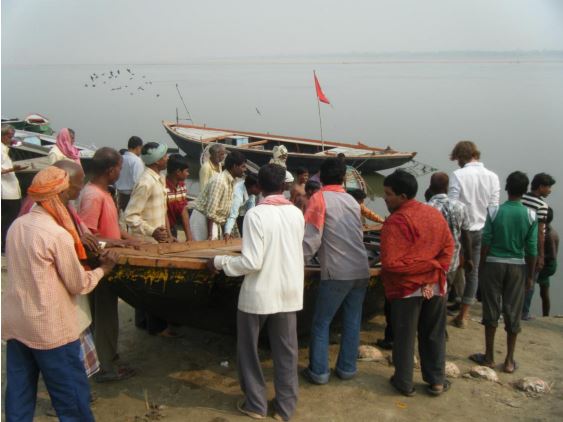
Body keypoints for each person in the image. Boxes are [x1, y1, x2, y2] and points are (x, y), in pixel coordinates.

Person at [2, 166, 119, 421]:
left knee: (19, 395)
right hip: (50, 329)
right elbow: (79, 285)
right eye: (71, 192)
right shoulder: (57, 235)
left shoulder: (16, 226)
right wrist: (104, 269)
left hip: (17, 324)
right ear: (60, 194)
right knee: (71, 399)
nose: (74, 197)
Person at [208, 163, 304, 421]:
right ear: (284, 185)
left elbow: (251, 261)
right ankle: (285, 409)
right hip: (289, 292)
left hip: (259, 294)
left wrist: (220, 262)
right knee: (286, 352)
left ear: (259, 186)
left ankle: (256, 404)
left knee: (249, 351)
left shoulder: (256, 215)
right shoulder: (296, 213)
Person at [380, 170, 454, 397]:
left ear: (402, 196)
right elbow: (448, 250)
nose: (384, 199)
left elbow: (391, 263)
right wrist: (432, 265)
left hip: (407, 289)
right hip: (435, 285)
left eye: (388, 195)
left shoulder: (395, 222)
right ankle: (436, 380)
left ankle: (404, 382)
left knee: (404, 336)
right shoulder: (433, 215)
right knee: (433, 334)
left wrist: (420, 266)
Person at [302, 157, 370, 385]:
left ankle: (319, 372)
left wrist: (295, 262)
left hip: (337, 272)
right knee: (352, 321)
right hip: (361, 268)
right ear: (343, 178)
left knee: (322, 323)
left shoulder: (318, 198)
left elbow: (310, 241)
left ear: (320, 177)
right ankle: (347, 369)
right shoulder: (351, 201)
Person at [78, 147, 139, 382]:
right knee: (104, 317)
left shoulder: (103, 192)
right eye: (120, 168)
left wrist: (127, 239)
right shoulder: (93, 195)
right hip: (100, 264)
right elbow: (88, 238)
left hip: (109, 262)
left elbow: (110, 226)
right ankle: (105, 367)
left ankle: (107, 360)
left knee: (108, 315)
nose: (120, 172)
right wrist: (117, 243)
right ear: (111, 169)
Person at [470, 171, 537, 373]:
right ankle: (509, 360)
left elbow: (486, 243)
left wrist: (481, 269)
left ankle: (489, 356)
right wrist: (531, 276)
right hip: (517, 266)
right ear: (525, 192)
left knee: (491, 309)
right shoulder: (530, 215)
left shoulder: (494, 212)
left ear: (507, 188)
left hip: (493, 264)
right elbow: (532, 249)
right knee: (513, 311)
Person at [448, 141, 500, 327]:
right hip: (482, 230)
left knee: (451, 267)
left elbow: (453, 204)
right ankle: (463, 315)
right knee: (473, 272)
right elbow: (493, 208)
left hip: (461, 230)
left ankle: (442, 304)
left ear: (461, 157)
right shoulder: (492, 177)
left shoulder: (458, 175)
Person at [427, 172, 473, 314]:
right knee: (445, 290)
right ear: (447, 187)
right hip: (452, 260)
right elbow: (466, 235)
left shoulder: (427, 207)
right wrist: (469, 258)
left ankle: (435, 323)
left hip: (433, 260)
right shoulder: (461, 206)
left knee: (432, 294)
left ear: (431, 187)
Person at [521, 172, 556, 320]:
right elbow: (540, 234)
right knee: (530, 280)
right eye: (548, 187)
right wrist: (540, 256)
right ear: (541, 187)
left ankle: (510, 307)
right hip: (531, 248)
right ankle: (525, 312)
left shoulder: (522, 198)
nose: (550, 190)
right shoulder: (542, 206)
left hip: (517, 245)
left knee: (516, 280)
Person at [191, 151, 247, 241]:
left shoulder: (230, 181)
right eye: (243, 166)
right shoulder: (220, 181)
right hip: (203, 219)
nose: (245, 169)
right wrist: (210, 235)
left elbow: (224, 210)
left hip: (213, 221)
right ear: (234, 166)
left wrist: (227, 232)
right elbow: (211, 211)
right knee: (204, 249)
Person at [124, 142, 171, 243]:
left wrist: (167, 235)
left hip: (159, 242)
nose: (167, 158)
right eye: (165, 156)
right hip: (146, 242)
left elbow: (163, 211)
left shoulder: (161, 178)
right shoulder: (145, 182)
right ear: (157, 161)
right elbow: (130, 216)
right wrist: (152, 231)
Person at [1, 124, 27, 252]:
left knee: (9, 219)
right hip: (5, 192)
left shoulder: (5, 149)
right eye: (9, 136)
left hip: (10, 189)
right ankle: (4, 246)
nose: (10, 139)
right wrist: (13, 169)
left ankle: (5, 244)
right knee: (7, 220)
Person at [224, 173, 260, 241]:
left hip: (238, 213)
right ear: (253, 187)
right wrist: (227, 232)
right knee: (231, 238)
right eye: (259, 187)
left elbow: (251, 210)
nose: (261, 190)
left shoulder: (251, 191)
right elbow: (232, 215)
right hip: (226, 214)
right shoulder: (237, 195)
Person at [536, 207, 558, 316]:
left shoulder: (549, 234)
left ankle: (545, 315)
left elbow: (552, 255)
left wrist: (539, 257)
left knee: (529, 282)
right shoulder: (547, 230)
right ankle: (546, 315)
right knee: (544, 291)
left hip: (549, 265)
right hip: (549, 264)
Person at [165, 154, 192, 240]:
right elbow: (163, 213)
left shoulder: (182, 186)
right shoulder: (162, 187)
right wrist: (169, 235)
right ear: (178, 172)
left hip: (172, 227)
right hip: (161, 229)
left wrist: (189, 236)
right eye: (186, 171)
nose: (188, 174)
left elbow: (183, 210)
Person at [115, 136, 144, 211]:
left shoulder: (120, 159)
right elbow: (138, 182)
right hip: (132, 196)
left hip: (120, 196)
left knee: (121, 219)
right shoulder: (137, 161)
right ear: (138, 147)